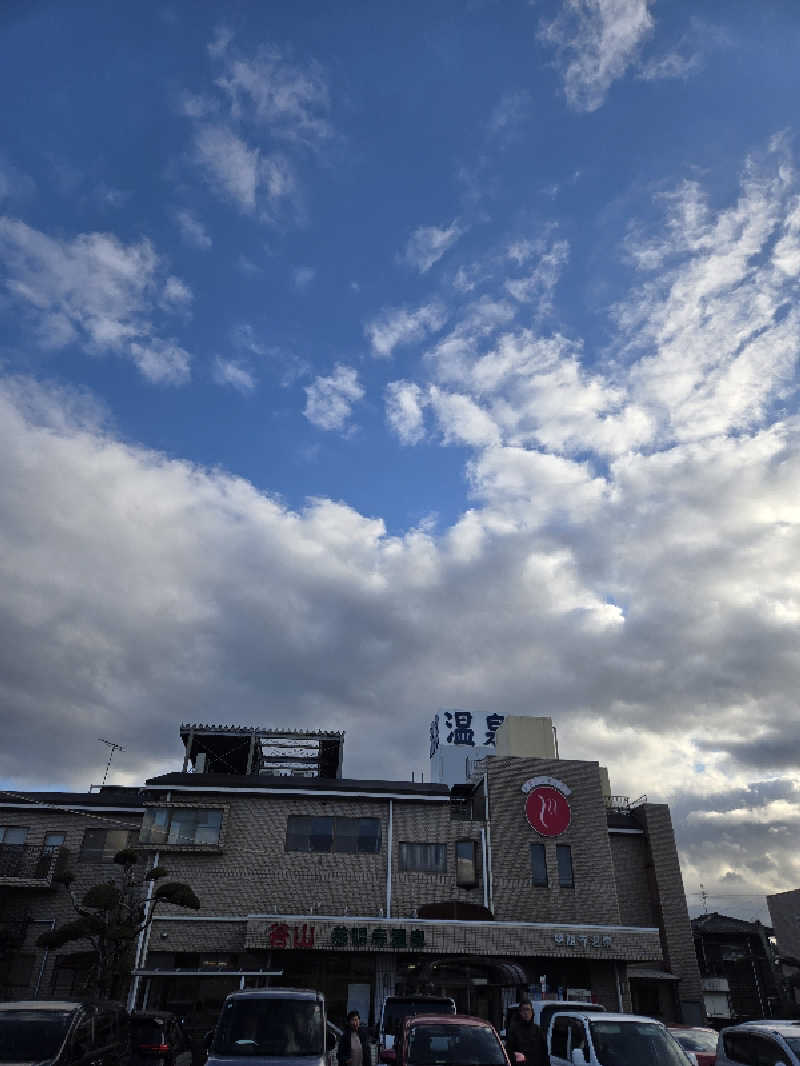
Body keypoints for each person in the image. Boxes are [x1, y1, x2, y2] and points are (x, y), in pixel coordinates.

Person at [506, 1001, 548, 1066]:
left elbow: (544, 1052)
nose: (526, 1013)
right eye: (523, 1010)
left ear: (532, 1012)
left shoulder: (537, 1030)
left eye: (528, 1010)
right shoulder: (514, 1030)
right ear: (520, 1012)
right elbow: (509, 1052)